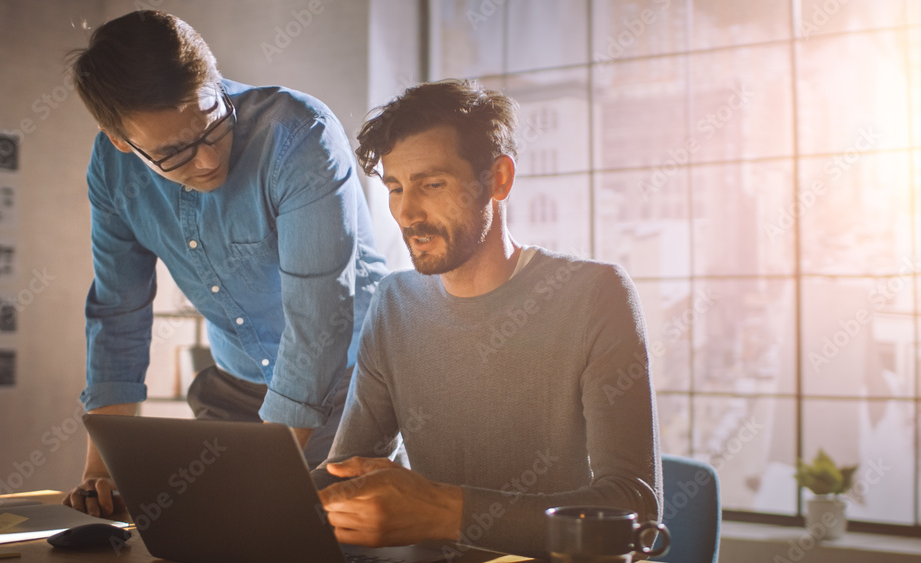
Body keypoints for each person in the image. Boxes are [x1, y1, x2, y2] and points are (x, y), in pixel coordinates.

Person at [311, 80, 662, 558]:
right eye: (395, 188)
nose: (407, 212)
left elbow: (634, 508)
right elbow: (348, 472)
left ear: (498, 179)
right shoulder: (393, 301)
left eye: (432, 184)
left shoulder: (596, 294)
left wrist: (444, 512)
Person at [62, 11, 387, 517]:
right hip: (234, 382)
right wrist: (100, 469)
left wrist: (263, 471)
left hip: (345, 385)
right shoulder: (111, 167)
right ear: (122, 140)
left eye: (212, 126)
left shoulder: (299, 136)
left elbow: (318, 321)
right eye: (174, 153)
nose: (209, 161)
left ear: (213, 82)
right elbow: (117, 312)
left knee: (322, 538)